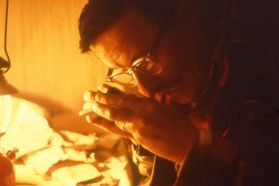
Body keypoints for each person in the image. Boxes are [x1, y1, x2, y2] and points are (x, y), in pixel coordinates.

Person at [78, 0, 279, 185]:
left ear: (188, 15)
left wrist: (196, 148)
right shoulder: (177, 83)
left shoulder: (263, 65)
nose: (146, 89)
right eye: (125, 72)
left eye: (144, 62)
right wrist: (142, 141)